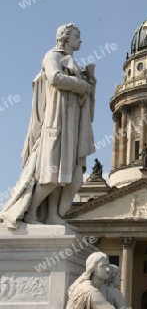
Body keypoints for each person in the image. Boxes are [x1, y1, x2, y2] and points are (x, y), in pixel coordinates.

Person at [1, 23, 95, 228]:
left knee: (64, 175)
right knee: (51, 173)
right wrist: (82, 86)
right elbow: (54, 77)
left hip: (71, 123)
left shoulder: (74, 63)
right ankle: (31, 212)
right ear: (65, 37)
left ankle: (53, 214)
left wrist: (90, 84)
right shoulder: (52, 56)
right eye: (77, 36)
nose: (80, 39)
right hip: (57, 121)